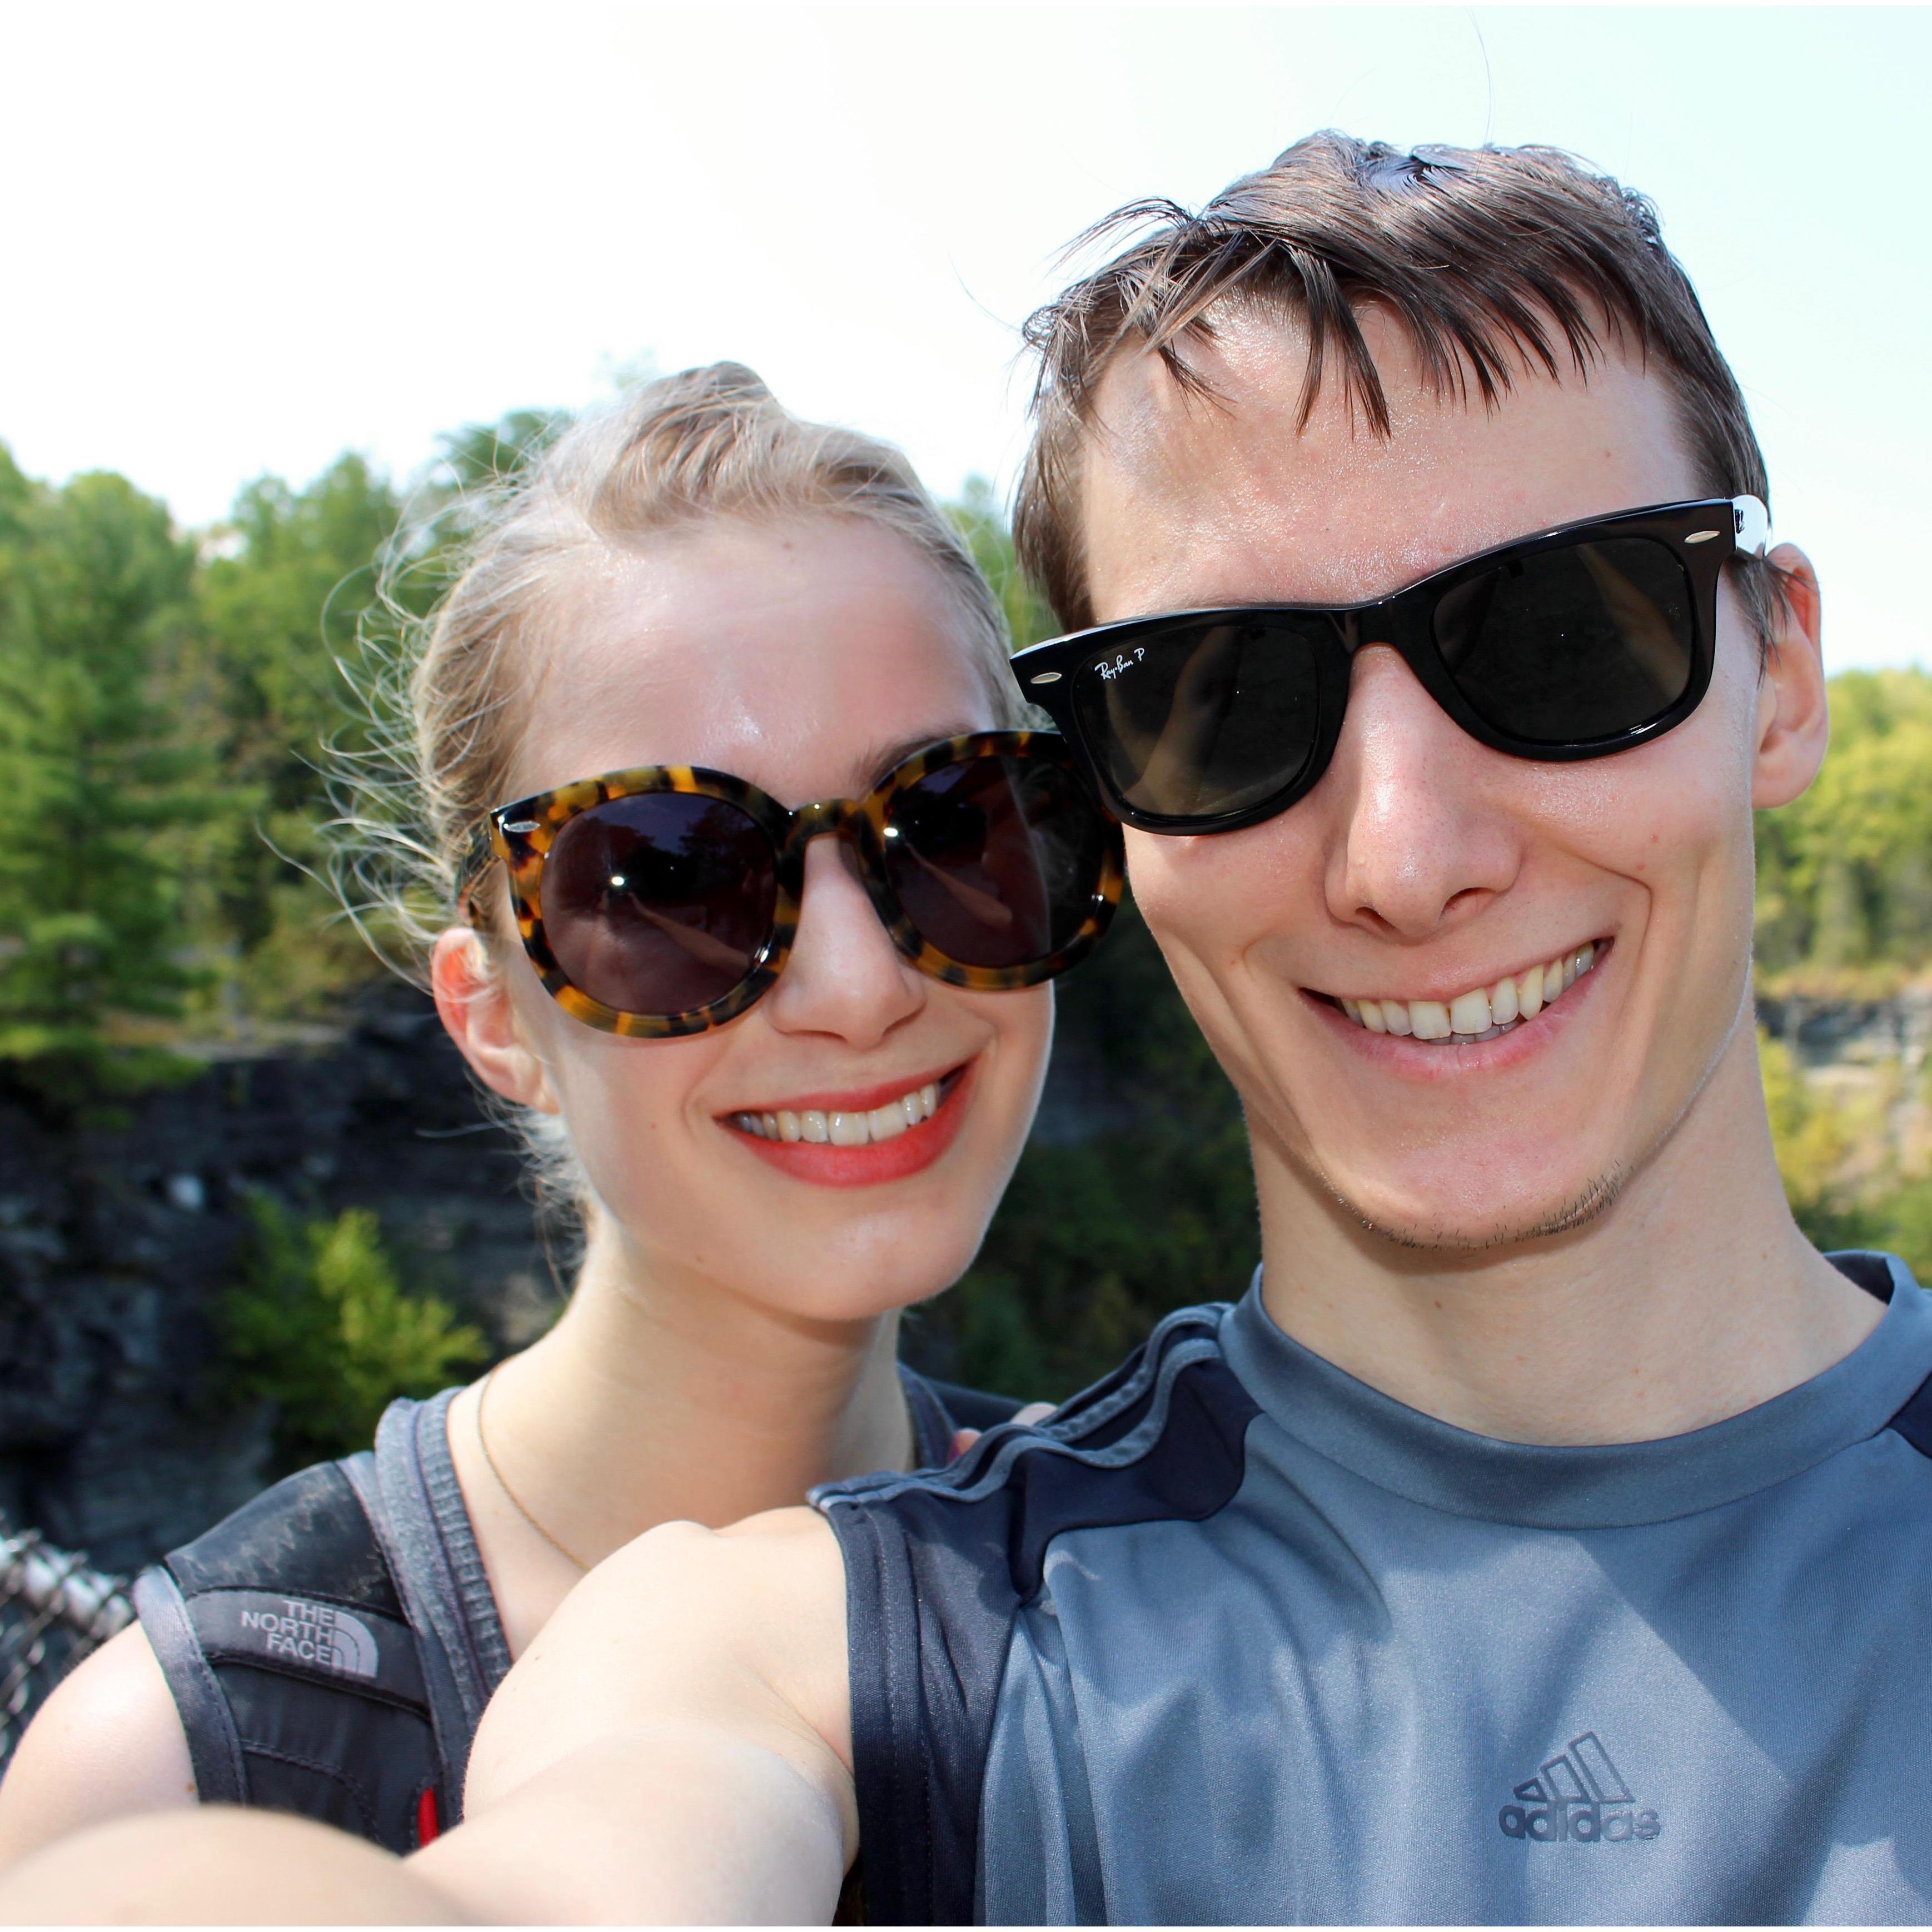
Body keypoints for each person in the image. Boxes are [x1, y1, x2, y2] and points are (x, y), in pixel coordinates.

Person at [4, 130, 1929, 1926]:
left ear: (1779, 675)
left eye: (1564, 639)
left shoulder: (947, 1565)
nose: (1405, 854)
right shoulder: (836, 1640)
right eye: (1226, 700)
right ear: (486, 1005)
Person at [0, 366, 1113, 1866]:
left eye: (950, 825)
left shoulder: (1154, 1577)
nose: (858, 987)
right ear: (491, 1016)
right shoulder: (184, 1765)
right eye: (667, 879)